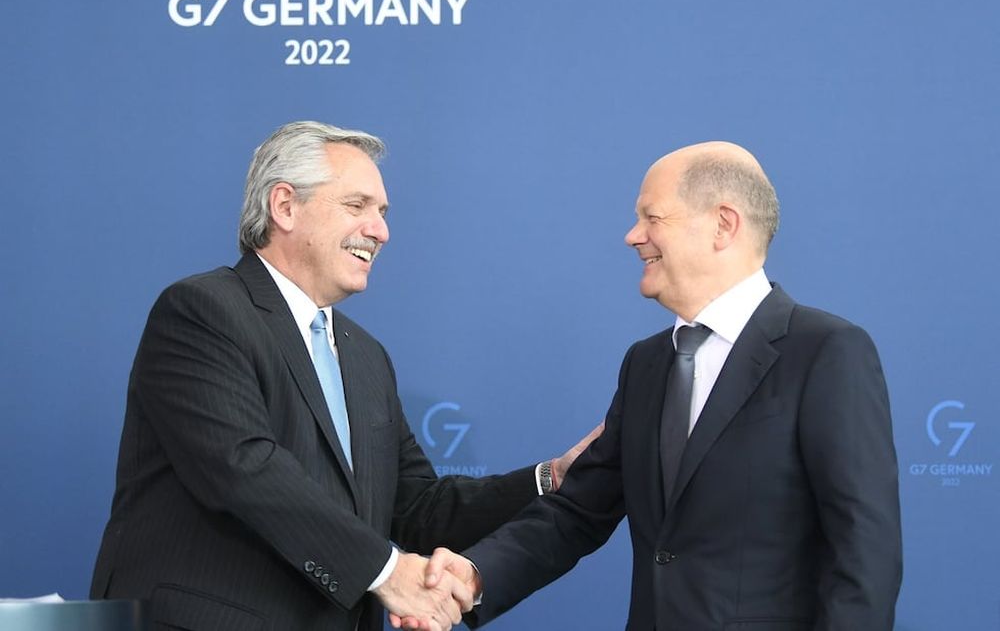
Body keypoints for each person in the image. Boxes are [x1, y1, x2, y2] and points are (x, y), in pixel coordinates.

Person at [89, 121, 600, 631]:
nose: (380, 231)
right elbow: (244, 467)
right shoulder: (203, 311)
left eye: (381, 212)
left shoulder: (365, 355)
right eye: (357, 206)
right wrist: (389, 572)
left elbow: (417, 507)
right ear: (284, 206)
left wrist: (549, 477)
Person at [417, 142, 903, 630]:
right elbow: (578, 512)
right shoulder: (646, 363)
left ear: (723, 224)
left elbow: (863, 554)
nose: (633, 237)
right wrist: (475, 575)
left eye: (652, 218)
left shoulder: (826, 351)